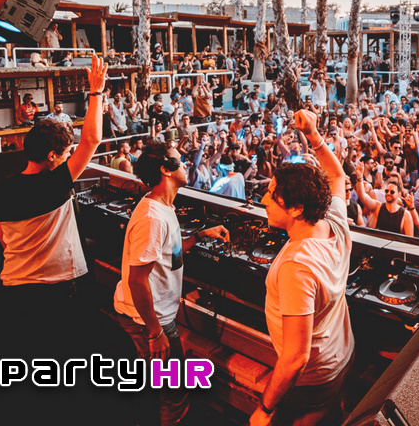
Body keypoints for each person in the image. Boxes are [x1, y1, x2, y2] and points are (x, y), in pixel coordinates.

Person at [0, 56, 107, 360]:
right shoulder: (52, 184)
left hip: (14, 286)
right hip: (54, 290)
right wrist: (96, 91)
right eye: (66, 153)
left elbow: (1, 236)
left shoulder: (4, 187)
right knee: (66, 355)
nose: (69, 157)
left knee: (33, 357)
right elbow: (92, 139)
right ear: (53, 155)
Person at [113, 141, 228, 425]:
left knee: (161, 385)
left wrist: (201, 235)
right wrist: (155, 332)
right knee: (172, 392)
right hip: (147, 321)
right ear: (166, 169)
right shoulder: (152, 218)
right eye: (180, 159)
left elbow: (170, 250)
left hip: (150, 318)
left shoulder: (162, 206)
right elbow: (137, 280)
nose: (186, 164)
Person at [253, 110, 354, 426]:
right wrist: (312, 134)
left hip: (314, 376)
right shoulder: (333, 221)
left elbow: (296, 357)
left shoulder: (297, 266)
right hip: (342, 352)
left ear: (297, 209)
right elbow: (337, 176)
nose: (264, 200)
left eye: (273, 197)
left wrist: (265, 408)